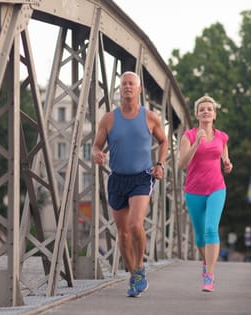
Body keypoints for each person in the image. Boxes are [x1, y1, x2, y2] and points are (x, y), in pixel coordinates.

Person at [92, 71, 168, 297]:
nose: (127, 87)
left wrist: (160, 164)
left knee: (135, 224)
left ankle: (141, 270)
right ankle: (133, 273)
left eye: (131, 84)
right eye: (123, 84)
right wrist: (97, 154)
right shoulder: (108, 119)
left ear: (138, 90)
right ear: (119, 89)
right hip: (117, 179)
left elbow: (164, 141)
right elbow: (97, 145)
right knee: (123, 233)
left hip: (142, 178)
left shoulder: (150, 117)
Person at [178, 95, 233, 292]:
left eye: (209, 108)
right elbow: (182, 164)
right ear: (196, 114)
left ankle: (209, 275)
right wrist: (196, 144)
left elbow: (225, 158)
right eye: (202, 109)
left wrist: (227, 164)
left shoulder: (222, 137)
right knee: (200, 238)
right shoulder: (189, 136)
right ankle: (205, 262)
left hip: (217, 188)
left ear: (215, 114)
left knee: (211, 229)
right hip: (194, 191)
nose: (206, 111)